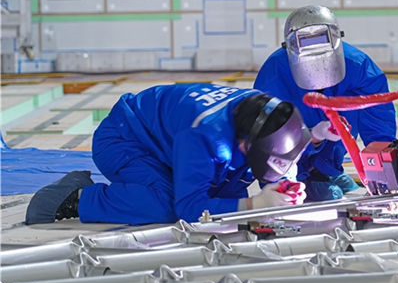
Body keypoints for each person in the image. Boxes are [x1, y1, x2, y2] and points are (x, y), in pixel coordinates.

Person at [25, 84, 311, 225]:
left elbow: (268, 149)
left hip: (171, 141)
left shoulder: (264, 113)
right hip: (124, 138)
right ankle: (78, 198)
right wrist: (258, 204)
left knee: (225, 198)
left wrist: (284, 184)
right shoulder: (205, 135)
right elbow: (189, 208)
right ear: (244, 145)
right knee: (169, 207)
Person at [254, 5, 396, 202]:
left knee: (358, 103)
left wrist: (382, 169)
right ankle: (303, 177)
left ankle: (326, 170)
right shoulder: (273, 78)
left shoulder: (358, 66)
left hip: (331, 153)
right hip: (293, 155)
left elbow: (378, 118)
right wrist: (283, 183)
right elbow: (268, 143)